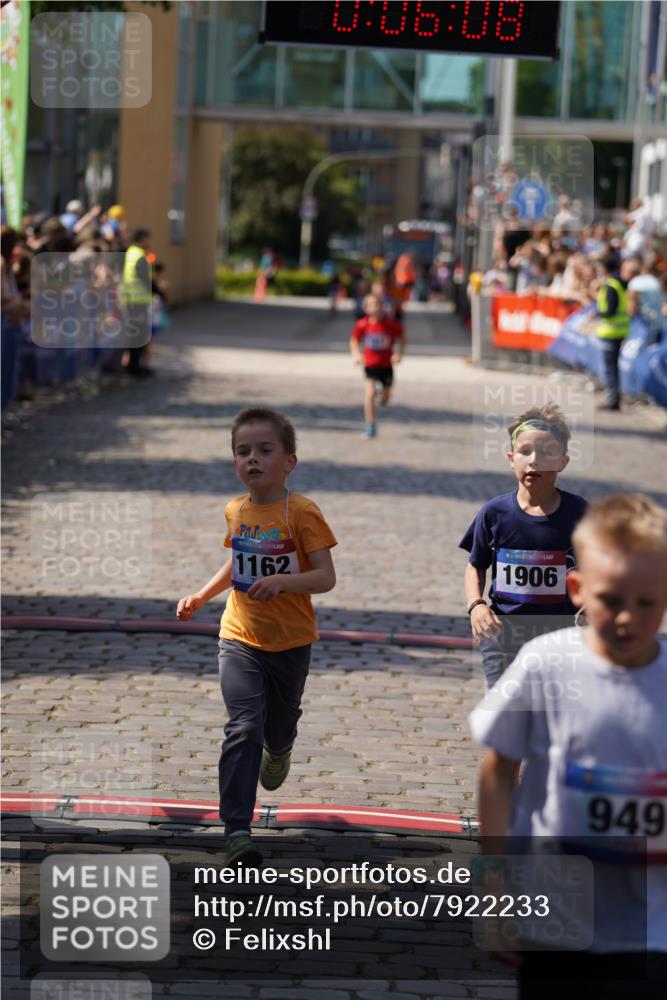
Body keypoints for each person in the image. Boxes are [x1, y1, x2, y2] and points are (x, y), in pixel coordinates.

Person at [469, 494, 667, 999]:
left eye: (646, 603)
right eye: (611, 600)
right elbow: (497, 771)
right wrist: (494, 890)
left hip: (652, 931)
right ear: (577, 589)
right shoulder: (545, 663)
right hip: (554, 920)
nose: (627, 618)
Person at [176, 408, 337, 867]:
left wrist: (284, 582)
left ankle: (280, 748)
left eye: (265, 450)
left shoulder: (302, 512)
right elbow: (237, 561)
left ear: (289, 462)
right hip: (239, 636)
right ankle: (237, 830)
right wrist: (202, 595)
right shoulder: (237, 510)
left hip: (291, 642)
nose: (252, 459)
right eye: (242, 451)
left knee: (277, 727)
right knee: (244, 726)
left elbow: (325, 577)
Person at [459, 403, 587, 691]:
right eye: (525, 451)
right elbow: (476, 566)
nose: (534, 461)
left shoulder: (579, 514)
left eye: (547, 453)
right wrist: (476, 605)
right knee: (505, 707)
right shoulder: (494, 513)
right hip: (502, 637)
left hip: (559, 637)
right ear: (510, 458)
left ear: (563, 462)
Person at [349, 291, 405, 439]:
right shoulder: (362, 324)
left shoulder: (391, 324)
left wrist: (398, 353)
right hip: (370, 364)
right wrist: (356, 354)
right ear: (365, 308)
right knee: (370, 393)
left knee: (386, 397)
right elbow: (354, 340)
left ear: (383, 307)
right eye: (372, 305)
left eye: (378, 305)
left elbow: (402, 338)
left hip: (386, 365)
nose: (375, 308)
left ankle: (383, 395)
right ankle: (371, 425)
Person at [595, 253, 630, 411]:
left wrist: (597, 313)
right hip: (619, 331)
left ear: (604, 268)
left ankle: (613, 400)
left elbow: (610, 311)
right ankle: (614, 398)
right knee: (613, 367)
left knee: (611, 368)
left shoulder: (611, 286)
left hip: (612, 332)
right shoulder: (618, 283)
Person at [119, 228, 153, 376]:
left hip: (129, 299)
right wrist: (158, 292)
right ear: (142, 239)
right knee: (139, 335)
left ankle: (131, 365)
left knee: (133, 333)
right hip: (138, 301)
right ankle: (134, 367)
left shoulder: (129, 252)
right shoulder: (140, 255)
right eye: (148, 239)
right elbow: (145, 279)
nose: (149, 242)